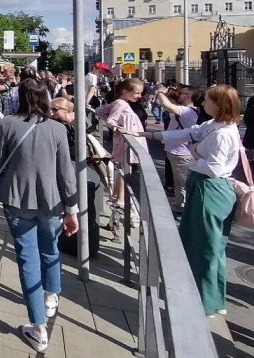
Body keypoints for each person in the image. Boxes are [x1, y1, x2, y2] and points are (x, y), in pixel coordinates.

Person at [0, 79, 79, 353]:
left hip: (17, 199)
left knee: (28, 258)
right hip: (51, 202)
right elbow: (66, 172)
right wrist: (72, 209)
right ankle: (51, 296)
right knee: (50, 250)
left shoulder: (8, 124)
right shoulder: (58, 129)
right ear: (46, 98)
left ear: (20, 97)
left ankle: (37, 327)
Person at [138, 85, 242, 317]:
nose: (203, 103)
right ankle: (211, 299)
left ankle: (205, 302)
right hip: (204, 187)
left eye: (207, 100)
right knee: (206, 244)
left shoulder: (223, 133)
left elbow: (213, 167)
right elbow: (189, 133)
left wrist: (194, 152)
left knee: (206, 246)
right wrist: (150, 135)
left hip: (210, 188)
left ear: (219, 104)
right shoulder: (215, 125)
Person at [94, 78, 148, 209]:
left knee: (122, 169)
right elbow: (111, 120)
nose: (139, 96)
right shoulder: (121, 103)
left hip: (125, 141)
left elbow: (100, 110)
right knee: (123, 169)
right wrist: (118, 127)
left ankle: (117, 196)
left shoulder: (121, 103)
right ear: (125, 91)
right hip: (124, 142)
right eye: (136, 93)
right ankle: (120, 198)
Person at [153, 83, 199, 215]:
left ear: (189, 96)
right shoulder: (183, 109)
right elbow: (161, 103)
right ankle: (180, 206)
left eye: (181, 93)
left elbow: (166, 105)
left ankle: (186, 210)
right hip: (176, 152)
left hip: (182, 154)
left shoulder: (188, 111)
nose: (178, 94)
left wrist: (160, 91)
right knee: (179, 183)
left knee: (183, 184)